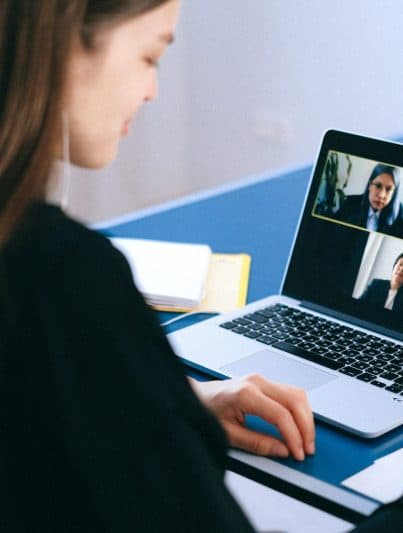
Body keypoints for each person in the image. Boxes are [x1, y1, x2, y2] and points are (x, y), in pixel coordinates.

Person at [0, 1, 401, 531]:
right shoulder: (67, 280)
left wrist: (172, 400)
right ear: (63, 41)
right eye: (150, 56)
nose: (152, 91)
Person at [335, 163, 403, 238]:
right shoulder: (350, 203)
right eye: (378, 186)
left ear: (394, 193)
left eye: (388, 189)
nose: (381, 195)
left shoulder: (400, 217)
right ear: (370, 185)